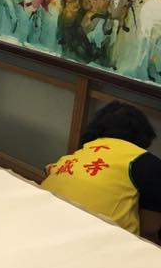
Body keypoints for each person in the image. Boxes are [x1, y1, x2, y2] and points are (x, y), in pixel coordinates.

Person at [42, 102, 161, 241]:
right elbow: (149, 229)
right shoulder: (147, 163)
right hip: (96, 243)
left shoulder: (77, 155)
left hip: (44, 225)